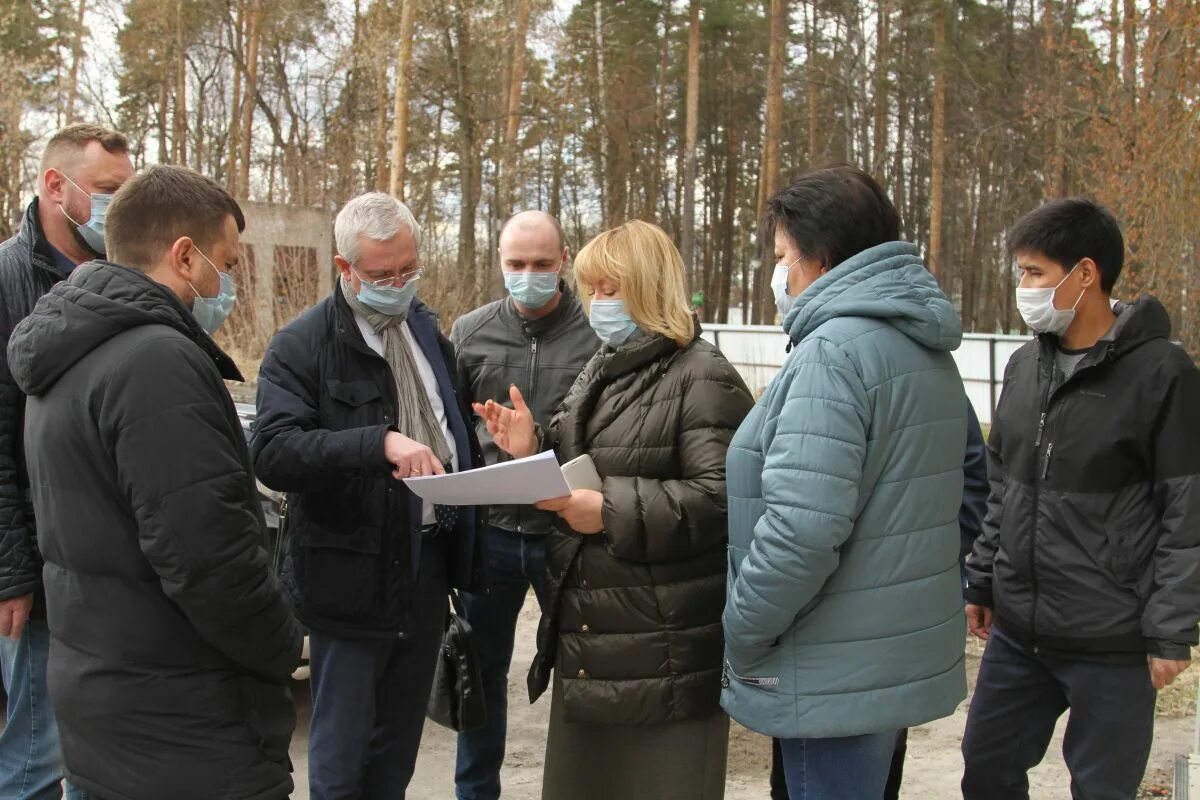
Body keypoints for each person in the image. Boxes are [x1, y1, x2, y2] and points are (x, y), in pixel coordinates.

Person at [6, 164, 303, 800]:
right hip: (181, 721)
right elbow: (208, 558)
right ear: (185, 256)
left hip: (109, 699)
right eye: (224, 261)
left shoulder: (71, 349)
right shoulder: (156, 361)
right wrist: (283, 642)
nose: (227, 283)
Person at [475, 220, 754, 800]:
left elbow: (721, 501)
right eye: (593, 289)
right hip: (596, 638)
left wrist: (607, 511)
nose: (596, 304)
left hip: (662, 648)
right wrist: (532, 447)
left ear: (651, 289)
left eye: (610, 290)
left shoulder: (703, 375)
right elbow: (589, 457)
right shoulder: (607, 364)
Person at [721, 165, 969, 800]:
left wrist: (744, 624)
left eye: (782, 257)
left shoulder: (834, 352)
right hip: (882, 658)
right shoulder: (919, 344)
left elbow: (802, 527)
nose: (779, 274)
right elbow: (962, 482)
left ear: (820, 257)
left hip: (829, 662)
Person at [961, 198, 1200, 800]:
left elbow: (1186, 512)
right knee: (985, 772)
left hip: (1111, 639)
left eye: (1035, 273)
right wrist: (984, 579)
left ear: (1085, 274)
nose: (1024, 287)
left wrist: (1171, 629)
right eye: (1020, 272)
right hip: (1018, 634)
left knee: (1102, 791)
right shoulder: (1023, 368)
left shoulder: (1162, 375)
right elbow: (1003, 487)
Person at [251, 192, 486, 800]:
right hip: (348, 576)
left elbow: (449, 425)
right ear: (345, 267)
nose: (399, 284)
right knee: (342, 752)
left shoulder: (427, 332)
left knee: (397, 747)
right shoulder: (302, 344)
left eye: (409, 269)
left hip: (428, 566)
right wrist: (375, 442)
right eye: (383, 275)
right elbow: (274, 453)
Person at [0, 123, 133, 800]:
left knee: (95, 757)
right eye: (109, 190)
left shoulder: (117, 279)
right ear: (57, 186)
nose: (120, 204)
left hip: (106, 567)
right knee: (34, 752)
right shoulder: (8, 280)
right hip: (39, 575)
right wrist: (12, 572)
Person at [766, 400, 989, 800]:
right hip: (836, 622)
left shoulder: (888, 369)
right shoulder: (819, 367)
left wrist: (924, 557)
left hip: (863, 623)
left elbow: (973, 478)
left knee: (861, 757)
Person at [450, 210, 598, 800]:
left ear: (564, 260)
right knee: (479, 675)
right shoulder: (469, 332)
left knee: (583, 673)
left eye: (542, 264)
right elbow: (451, 427)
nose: (529, 276)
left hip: (567, 530)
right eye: (516, 265)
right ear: (499, 263)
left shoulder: (595, 333)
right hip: (490, 531)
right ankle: (475, 791)